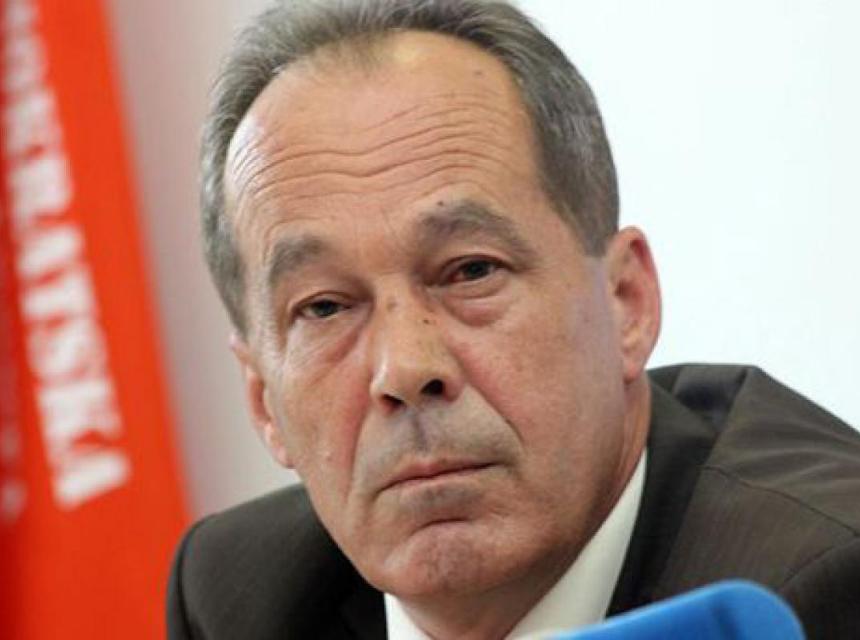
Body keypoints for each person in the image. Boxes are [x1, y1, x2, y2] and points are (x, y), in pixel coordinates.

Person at [167, 1, 860, 638]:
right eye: (324, 307)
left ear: (626, 303)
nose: (405, 369)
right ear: (263, 400)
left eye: (471, 271)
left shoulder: (823, 589)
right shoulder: (241, 600)